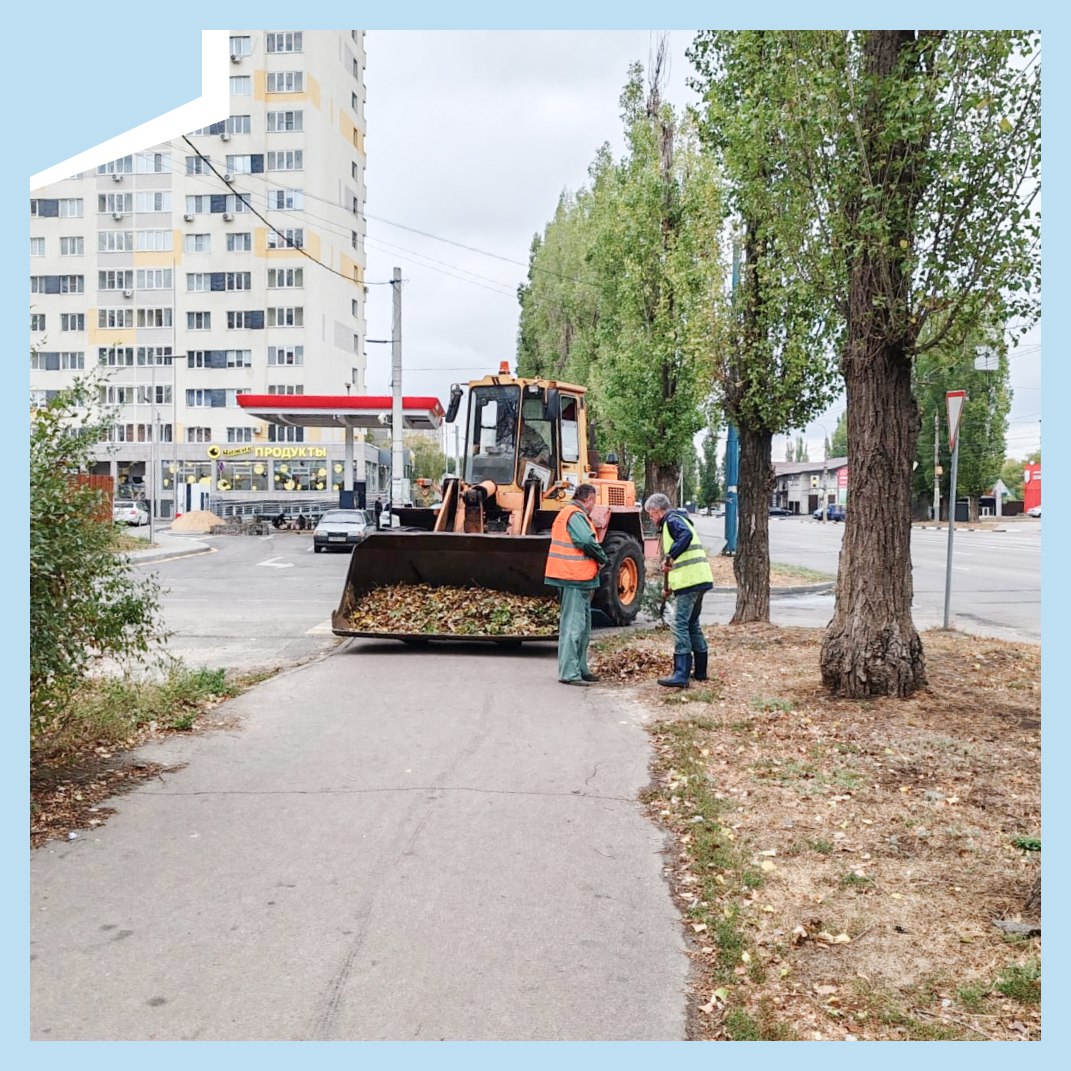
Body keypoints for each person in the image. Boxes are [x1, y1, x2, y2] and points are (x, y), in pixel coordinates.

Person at [644, 492, 714, 688]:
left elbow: (686, 536)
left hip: (690, 582)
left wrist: (671, 556)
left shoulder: (672, 521)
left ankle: (681, 674)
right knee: (692, 624)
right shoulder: (678, 519)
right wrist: (669, 587)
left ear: (657, 511)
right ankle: (700, 671)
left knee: (680, 624)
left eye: (650, 514)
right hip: (700, 579)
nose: (651, 518)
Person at [543, 483, 608, 686]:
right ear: (588, 499)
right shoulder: (575, 515)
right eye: (594, 501)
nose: (594, 505)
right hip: (573, 578)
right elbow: (586, 542)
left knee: (583, 626)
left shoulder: (572, 514)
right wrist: (602, 557)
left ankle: (580, 668)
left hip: (579, 579)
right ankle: (570, 673)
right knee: (574, 626)